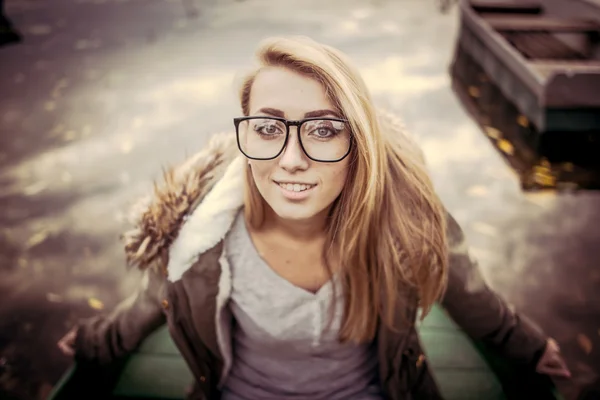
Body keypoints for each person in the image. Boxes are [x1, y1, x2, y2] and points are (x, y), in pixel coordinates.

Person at [58, 36, 569, 399]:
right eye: (268, 128)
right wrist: (95, 342)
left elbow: (467, 291)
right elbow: (154, 299)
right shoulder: (202, 237)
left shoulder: (404, 220)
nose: (292, 159)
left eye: (324, 130)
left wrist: (523, 344)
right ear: (247, 135)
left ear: (357, 143)